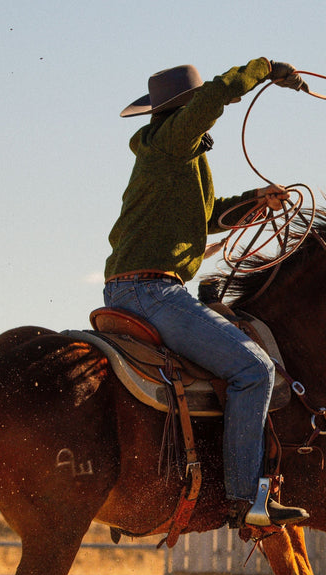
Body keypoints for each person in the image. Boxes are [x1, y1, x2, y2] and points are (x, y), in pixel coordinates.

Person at [105, 58, 309, 528]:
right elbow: (215, 96)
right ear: (186, 111)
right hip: (153, 292)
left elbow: (208, 218)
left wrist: (254, 202)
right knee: (254, 370)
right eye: (196, 108)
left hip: (133, 289)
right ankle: (246, 500)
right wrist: (264, 68)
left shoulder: (177, 157)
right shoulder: (173, 142)